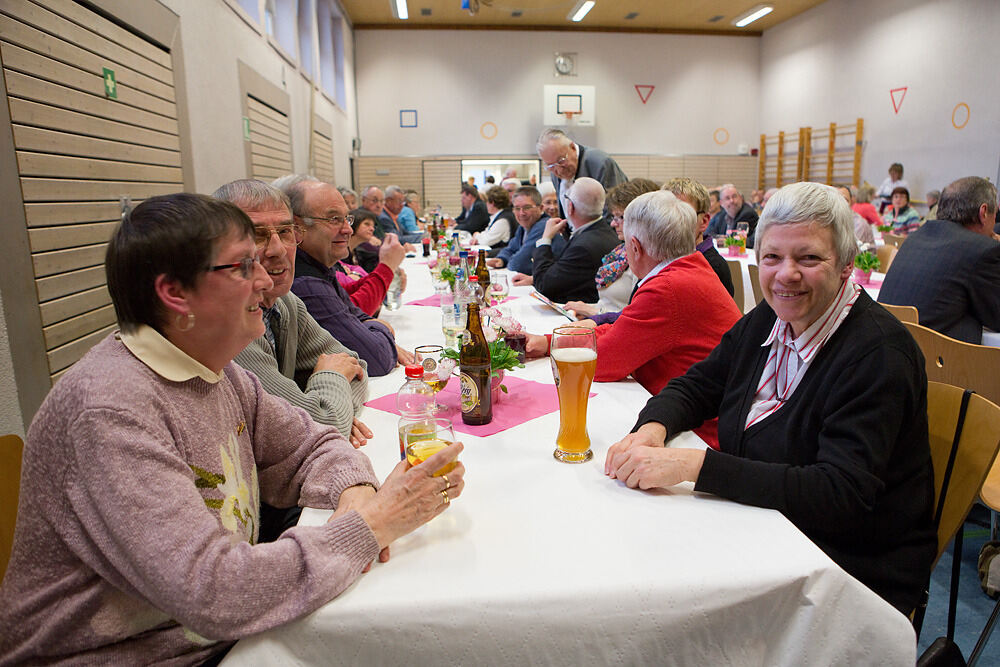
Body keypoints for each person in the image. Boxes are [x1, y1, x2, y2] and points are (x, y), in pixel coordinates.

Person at [0, 193, 465, 665]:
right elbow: (214, 590)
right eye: (244, 266)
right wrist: (372, 524)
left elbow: (315, 443)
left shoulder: (217, 371)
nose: (266, 279)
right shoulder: (109, 412)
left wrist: (356, 490)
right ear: (175, 294)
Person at [604, 182, 935, 615]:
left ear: (846, 265)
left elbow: (840, 495)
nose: (786, 274)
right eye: (773, 257)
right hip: (764, 527)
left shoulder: (878, 355)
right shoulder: (771, 316)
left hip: (845, 571)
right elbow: (699, 383)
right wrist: (654, 428)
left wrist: (693, 466)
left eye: (809, 257)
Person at [526, 190, 741, 448]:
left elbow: (602, 361)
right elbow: (623, 331)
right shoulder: (690, 268)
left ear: (635, 247)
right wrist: (550, 341)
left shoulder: (668, 288)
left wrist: (554, 343)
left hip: (700, 435)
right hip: (699, 417)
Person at [213, 179, 371, 444]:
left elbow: (357, 366)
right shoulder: (229, 321)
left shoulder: (286, 302)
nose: (278, 250)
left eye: (285, 231)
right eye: (258, 235)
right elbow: (320, 427)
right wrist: (329, 399)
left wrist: (326, 409)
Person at [279, 176, 413, 375]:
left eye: (347, 218)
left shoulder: (321, 266)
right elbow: (376, 358)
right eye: (334, 219)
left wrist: (371, 328)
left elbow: (355, 314)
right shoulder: (306, 283)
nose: (348, 229)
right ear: (297, 228)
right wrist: (383, 330)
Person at [879, 176, 1000, 344]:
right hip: (937, 363)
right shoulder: (982, 249)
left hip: (887, 349)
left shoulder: (915, 238)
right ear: (984, 212)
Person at [563, 178, 660, 319]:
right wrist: (588, 309)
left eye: (620, 217)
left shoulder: (649, 259)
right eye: (613, 216)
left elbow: (640, 316)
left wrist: (594, 313)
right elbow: (611, 304)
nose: (613, 224)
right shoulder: (622, 251)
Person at [529, 177, 621, 303]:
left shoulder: (583, 247)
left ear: (570, 206)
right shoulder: (605, 232)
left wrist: (545, 239)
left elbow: (545, 286)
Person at [664, 177, 736, 298]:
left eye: (683, 214)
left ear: (703, 221)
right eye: (666, 214)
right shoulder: (662, 257)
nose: (673, 222)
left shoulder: (711, 267)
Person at [536, 128, 627, 217]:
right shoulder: (554, 169)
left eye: (561, 161)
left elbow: (614, 209)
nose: (559, 170)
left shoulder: (600, 163)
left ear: (572, 148)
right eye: (551, 166)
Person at [486, 186, 566, 275]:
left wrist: (508, 260)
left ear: (541, 208)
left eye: (527, 207)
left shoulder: (543, 226)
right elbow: (510, 249)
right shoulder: (524, 226)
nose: (521, 213)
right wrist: (502, 259)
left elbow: (517, 264)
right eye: (517, 208)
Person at [474, 185, 516, 252]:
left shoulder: (503, 221)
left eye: (487, 202)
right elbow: (487, 232)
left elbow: (485, 241)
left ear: (492, 203)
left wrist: (476, 235)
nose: (486, 204)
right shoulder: (500, 215)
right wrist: (478, 235)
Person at [835, 184, 874, 248]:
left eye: (844, 200)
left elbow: (852, 251)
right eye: (835, 199)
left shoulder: (859, 224)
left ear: (852, 202)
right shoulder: (833, 220)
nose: (840, 203)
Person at [346, 207, 381, 274]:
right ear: (354, 223)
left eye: (373, 226)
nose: (372, 229)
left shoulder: (358, 253)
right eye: (367, 224)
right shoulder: (339, 254)